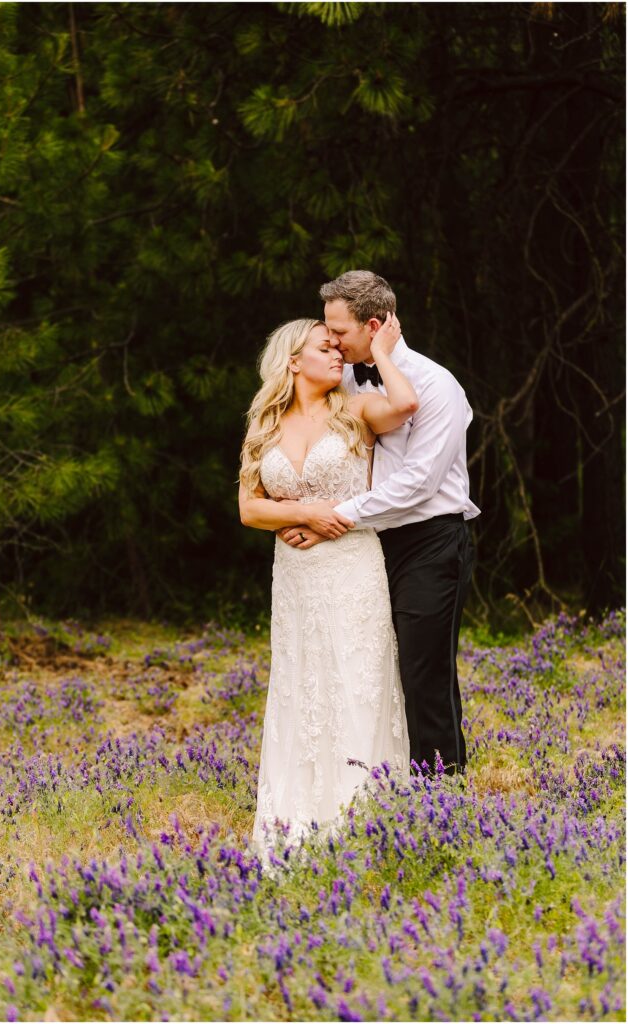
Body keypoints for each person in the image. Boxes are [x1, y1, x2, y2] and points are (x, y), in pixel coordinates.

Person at [280, 270, 480, 775]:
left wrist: (334, 517)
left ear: (374, 326)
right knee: (370, 671)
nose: (331, 342)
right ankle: (373, 787)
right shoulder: (339, 380)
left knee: (422, 672)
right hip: (363, 547)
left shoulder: (438, 386)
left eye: (340, 333)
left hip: (430, 543)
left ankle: (442, 794)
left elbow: (418, 484)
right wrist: (304, 511)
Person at [239, 314, 418, 851]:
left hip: (351, 566)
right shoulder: (264, 423)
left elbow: (406, 403)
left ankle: (362, 822)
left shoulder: (356, 409)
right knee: (301, 686)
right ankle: (295, 823)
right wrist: (306, 511)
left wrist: (382, 351)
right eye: (325, 347)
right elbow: (249, 509)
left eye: (340, 347)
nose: (338, 353)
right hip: (294, 573)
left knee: (355, 679)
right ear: (294, 361)